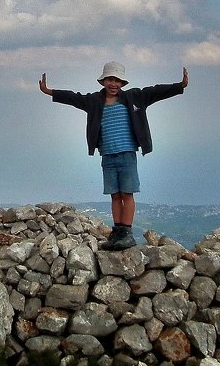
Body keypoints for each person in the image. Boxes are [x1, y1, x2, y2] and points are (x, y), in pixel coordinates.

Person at [39, 61, 188, 250]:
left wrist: (179, 86)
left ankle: (127, 232)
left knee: (127, 193)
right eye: (110, 79)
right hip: (107, 156)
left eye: (117, 80)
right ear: (103, 81)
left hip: (127, 154)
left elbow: (156, 91)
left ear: (123, 83)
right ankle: (117, 232)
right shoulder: (94, 101)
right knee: (115, 195)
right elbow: (74, 98)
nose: (113, 84)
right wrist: (49, 91)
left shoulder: (134, 97)